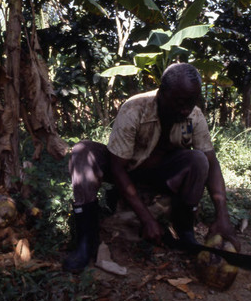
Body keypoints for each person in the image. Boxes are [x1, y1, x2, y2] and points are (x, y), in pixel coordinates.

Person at [63, 63, 239, 273]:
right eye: (179, 103)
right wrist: (146, 219)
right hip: (125, 168)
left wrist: (222, 215)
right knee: (83, 151)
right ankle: (86, 239)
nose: (185, 109)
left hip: (160, 174)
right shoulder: (134, 108)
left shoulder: (194, 116)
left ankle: (184, 230)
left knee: (200, 160)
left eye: (191, 103)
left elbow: (212, 164)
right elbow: (117, 168)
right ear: (162, 93)